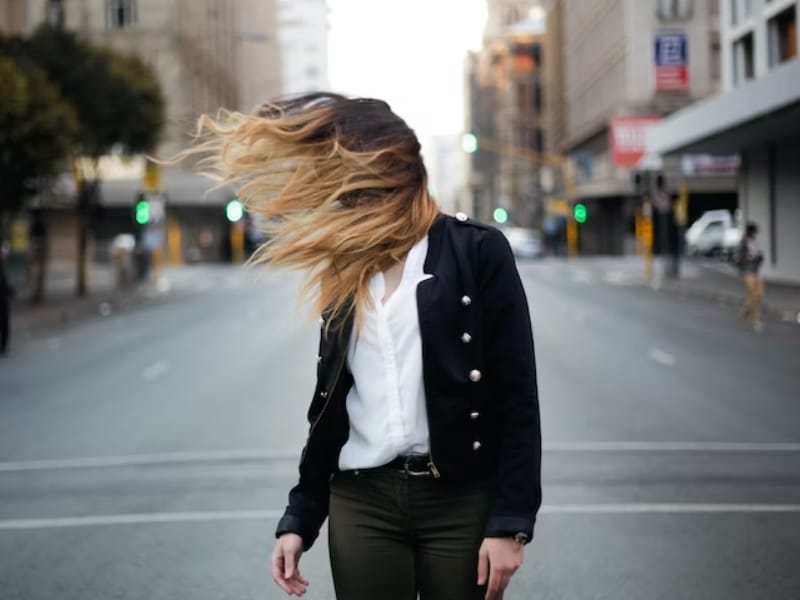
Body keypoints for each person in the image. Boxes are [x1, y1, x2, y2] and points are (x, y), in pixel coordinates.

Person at [186, 93, 542, 600]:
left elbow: (517, 396)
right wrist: (300, 518)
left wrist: (510, 521)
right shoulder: (343, 267)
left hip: (460, 501)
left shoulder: (478, 251)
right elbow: (330, 408)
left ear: (391, 171)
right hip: (363, 501)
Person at [735, 222, 764, 331]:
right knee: (753, 295)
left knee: (760, 294)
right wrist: (747, 259)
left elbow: (758, 255)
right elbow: (738, 258)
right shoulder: (742, 243)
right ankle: (755, 320)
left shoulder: (754, 242)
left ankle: (747, 310)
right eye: (753, 232)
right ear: (749, 232)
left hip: (755, 272)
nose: (754, 235)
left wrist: (759, 257)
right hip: (747, 272)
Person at [0, 244, 12, 355]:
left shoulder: (3, 267)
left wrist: (10, 291)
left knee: (5, 323)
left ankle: (4, 346)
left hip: (4, 300)